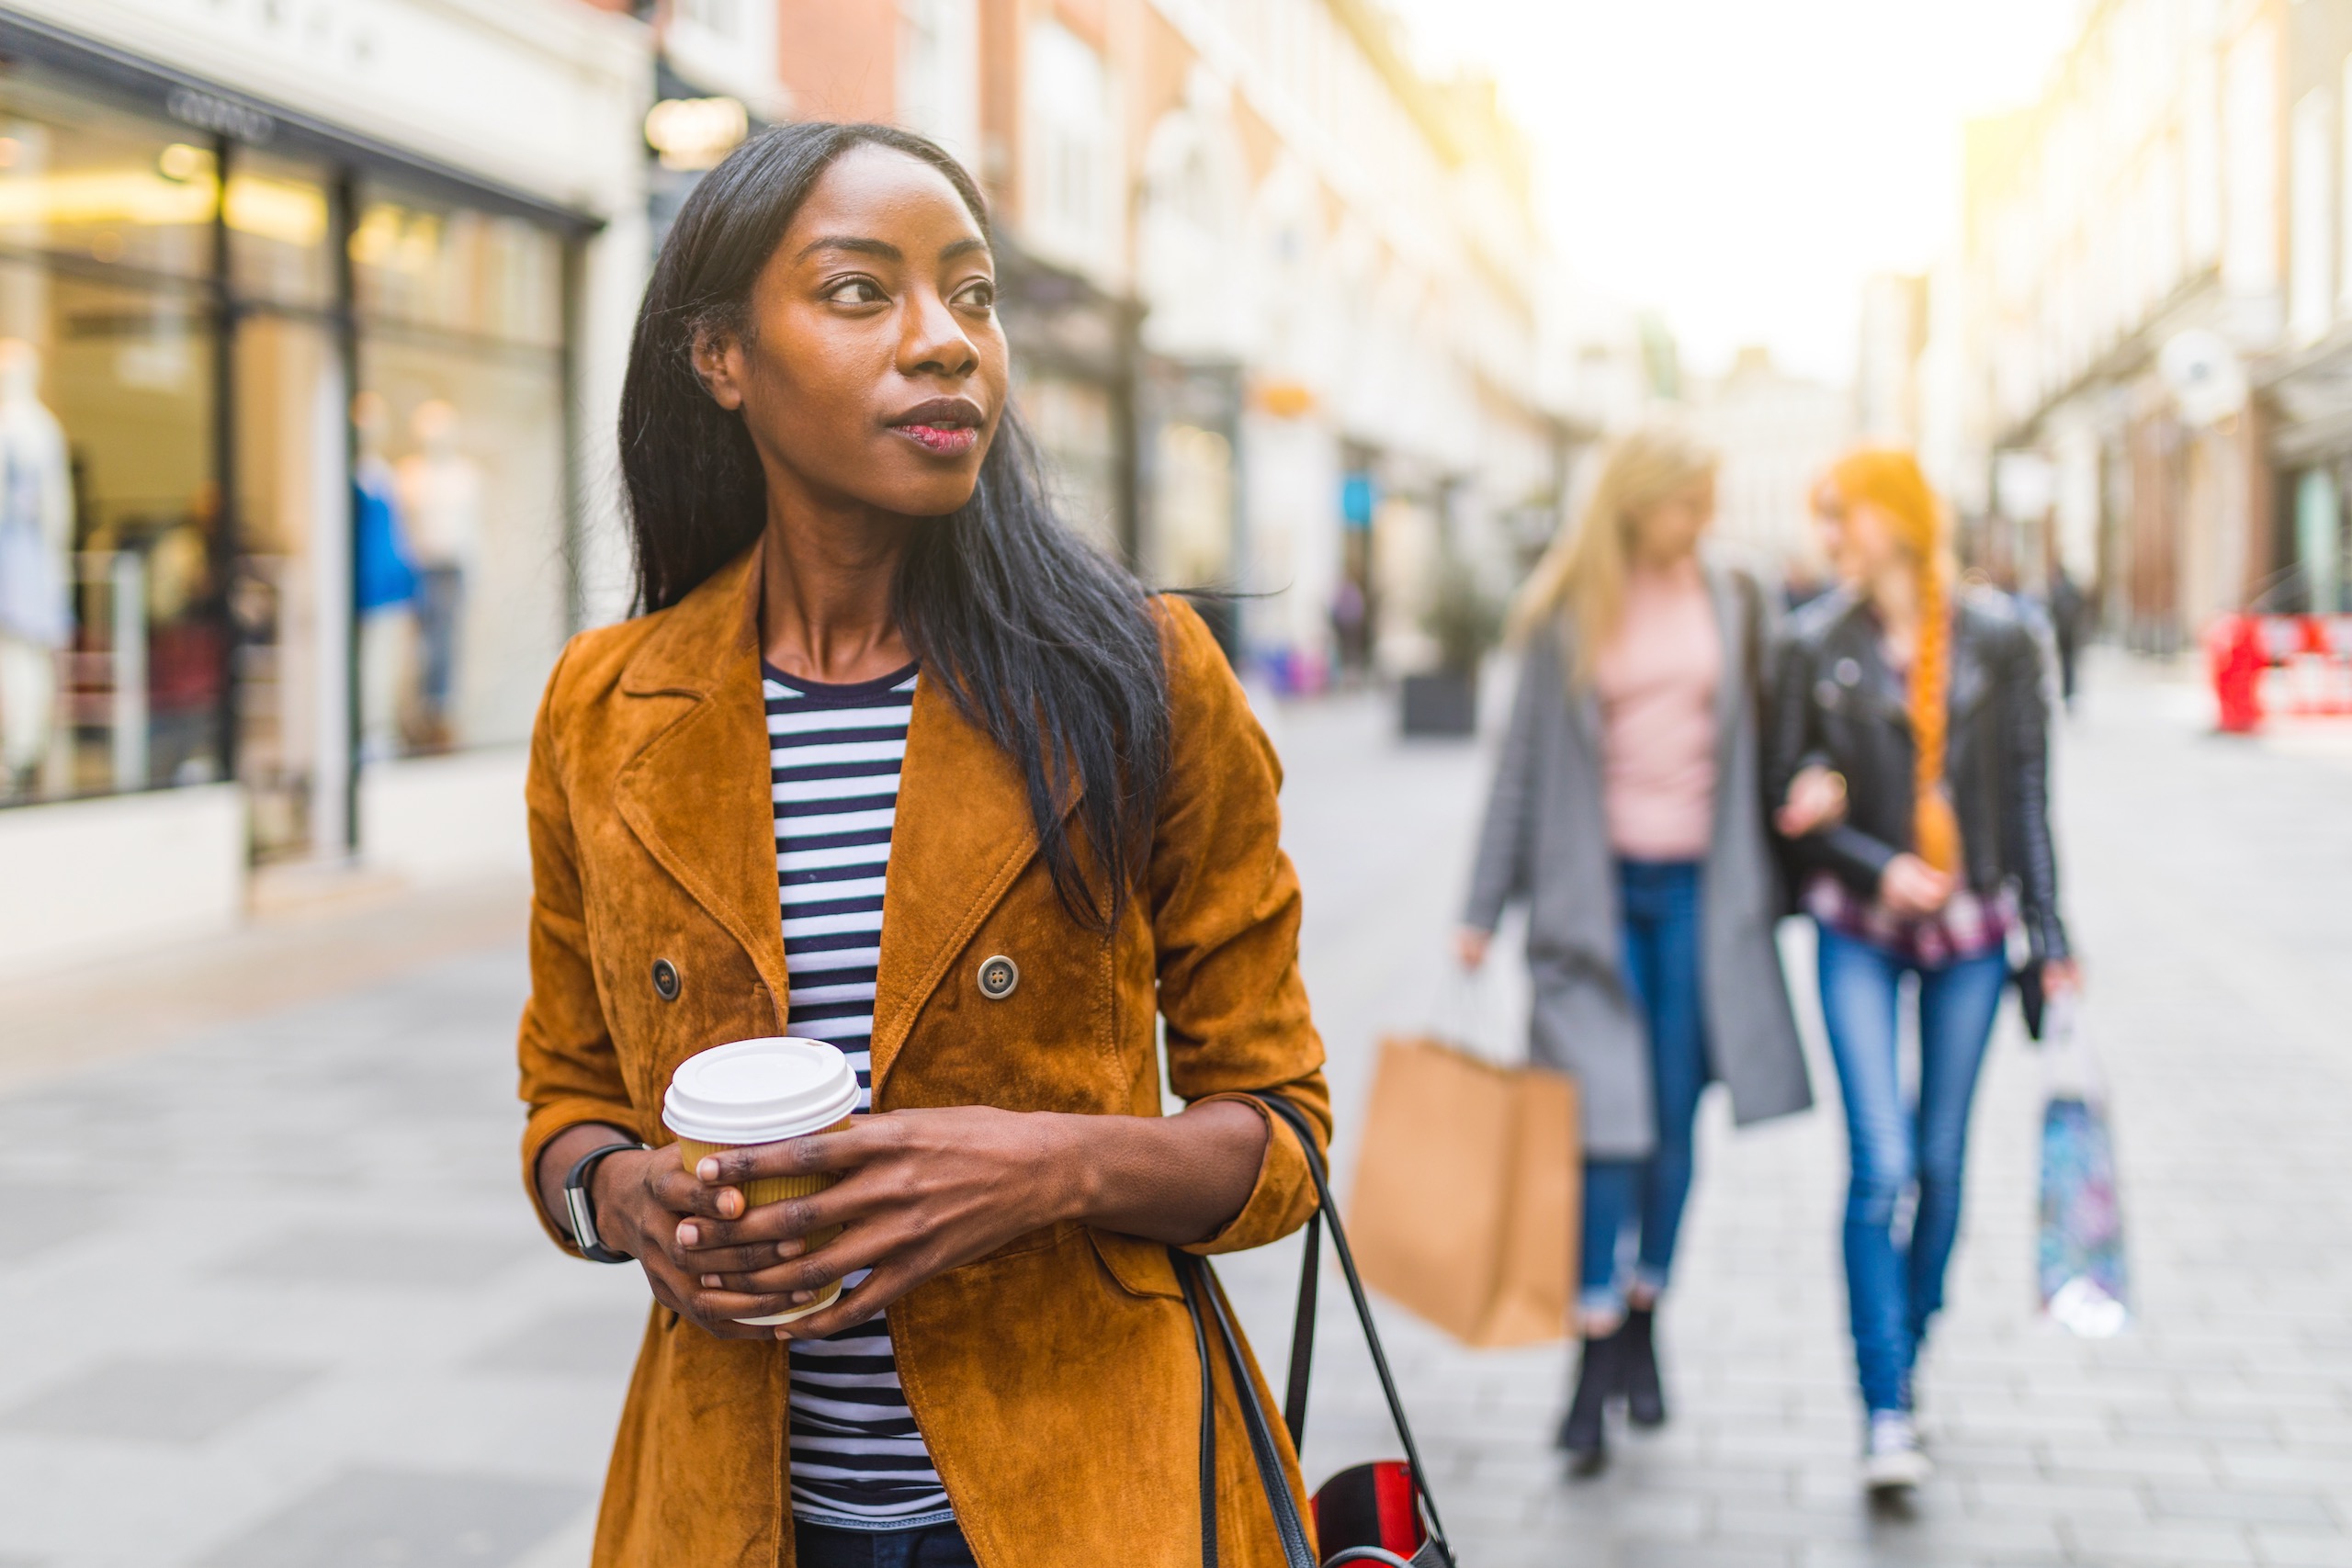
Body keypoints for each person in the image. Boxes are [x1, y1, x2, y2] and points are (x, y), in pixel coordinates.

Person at [516, 122, 1330, 1568]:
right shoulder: (605, 704)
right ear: (721, 358)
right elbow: (568, 1103)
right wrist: (623, 1196)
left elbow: (1281, 1137)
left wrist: (1047, 1167)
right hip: (737, 1506)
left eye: (971, 293)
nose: (943, 342)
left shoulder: (1138, 676)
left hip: (1091, 1496)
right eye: (857, 293)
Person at [1458, 423, 1810, 1474]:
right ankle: (1591, 1341)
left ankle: (1644, 1316)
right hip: (1590, 902)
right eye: (1685, 501)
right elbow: (1517, 770)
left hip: (1706, 899)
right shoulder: (1569, 606)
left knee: (1667, 1119)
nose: (1701, 521)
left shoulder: (1738, 596)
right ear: (1634, 500)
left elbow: (1787, 729)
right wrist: (1479, 911)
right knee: (1598, 1130)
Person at [1767, 449, 2076, 1495]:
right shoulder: (1812, 641)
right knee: (1880, 1165)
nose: (1826, 536)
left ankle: (1908, 1335)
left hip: (1975, 931)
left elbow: (2028, 799)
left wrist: (2054, 936)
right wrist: (1865, 855)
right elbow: (1788, 797)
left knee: (1941, 1164)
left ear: (1892, 520)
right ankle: (1885, 1403)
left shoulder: (2002, 637)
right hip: (1858, 926)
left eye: (1836, 513)